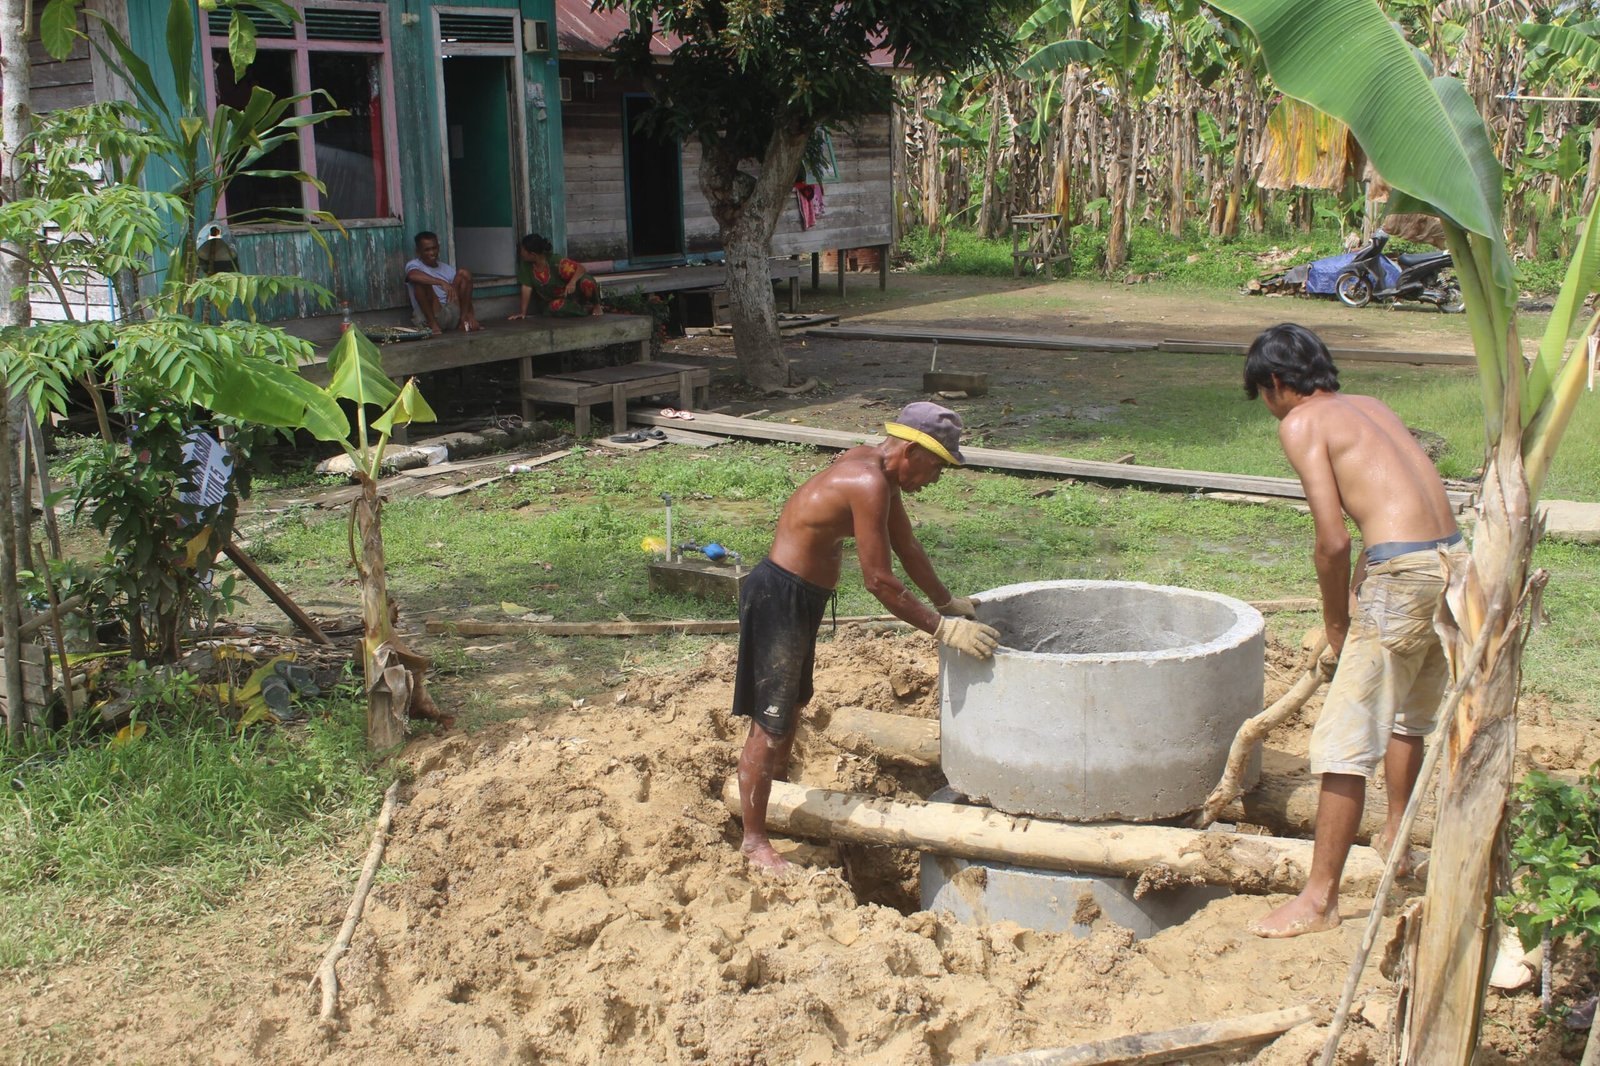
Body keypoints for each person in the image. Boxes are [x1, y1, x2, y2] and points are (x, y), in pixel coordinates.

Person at [1244, 323, 1465, 938]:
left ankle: (1319, 900)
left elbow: (1333, 540)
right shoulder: (1371, 406)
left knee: (1342, 743)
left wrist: (1337, 622)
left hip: (1403, 577)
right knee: (1407, 716)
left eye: (1264, 395)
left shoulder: (1302, 423)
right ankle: (1396, 835)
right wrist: (1359, 588)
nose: (1269, 408)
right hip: (1453, 564)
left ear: (1276, 382)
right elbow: (1393, 512)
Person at [733, 402, 1001, 874]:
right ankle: (754, 843)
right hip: (779, 597)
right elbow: (879, 581)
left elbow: (906, 545)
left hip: (801, 596)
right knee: (770, 721)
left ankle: (777, 794)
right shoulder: (867, 482)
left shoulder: (879, 472)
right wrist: (943, 629)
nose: (936, 478)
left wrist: (946, 601)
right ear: (911, 451)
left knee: (792, 704)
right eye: (937, 465)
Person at [509, 233, 603, 319]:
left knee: (587, 281)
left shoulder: (555, 261)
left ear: (533, 255)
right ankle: (587, 309)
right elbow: (526, 287)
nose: (521, 253)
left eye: (523, 250)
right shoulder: (526, 265)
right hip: (555, 301)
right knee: (555, 307)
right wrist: (523, 313)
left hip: (573, 294)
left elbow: (581, 268)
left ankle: (596, 305)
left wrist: (572, 282)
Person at [404, 231, 481, 334]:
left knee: (464, 273)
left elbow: (464, 292)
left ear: (438, 248)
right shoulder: (414, 265)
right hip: (434, 313)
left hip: (452, 311)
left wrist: (470, 314)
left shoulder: (446, 268)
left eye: (434, 248)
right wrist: (440, 282)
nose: (432, 253)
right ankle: (433, 325)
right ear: (418, 251)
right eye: (427, 250)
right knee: (420, 283)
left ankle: (464, 320)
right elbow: (412, 276)